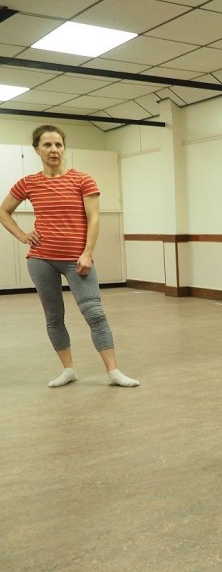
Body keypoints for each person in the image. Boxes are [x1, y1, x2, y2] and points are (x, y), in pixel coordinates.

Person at [0, 125, 139, 388]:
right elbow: (3, 211)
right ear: (37, 149)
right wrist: (22, 236)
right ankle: (68, 370)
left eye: (58, 144)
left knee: (95, 314)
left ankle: (113, 371)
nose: (54, 150)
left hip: (77, 260)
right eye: (47, 145)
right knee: (54, 317)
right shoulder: (28, 183)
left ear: (64, 148)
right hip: (41, 260)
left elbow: (94, 219)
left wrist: (87, 253)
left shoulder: (83, 180)